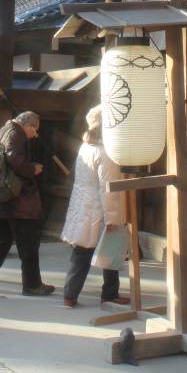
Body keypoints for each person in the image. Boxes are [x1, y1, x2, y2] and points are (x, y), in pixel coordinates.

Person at [0, 111, 55, 299]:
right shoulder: (16, 134)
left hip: (1, 197)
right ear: (28, 126)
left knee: (0, 242)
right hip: (16, 200)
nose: (34, 135)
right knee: (28, 243)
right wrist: (32, 168)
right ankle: (32, 285)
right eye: (34, 131)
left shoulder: (1, 132)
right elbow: (14, 158)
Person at [61, 105, 130, 308]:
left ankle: (71, 293)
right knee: (110, 247)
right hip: (98, 207)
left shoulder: (86, 146)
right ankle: (108, 293)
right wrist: (113, 218)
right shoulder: (105, 152)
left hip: (83, 203)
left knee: (83, 250)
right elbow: (108, 189)